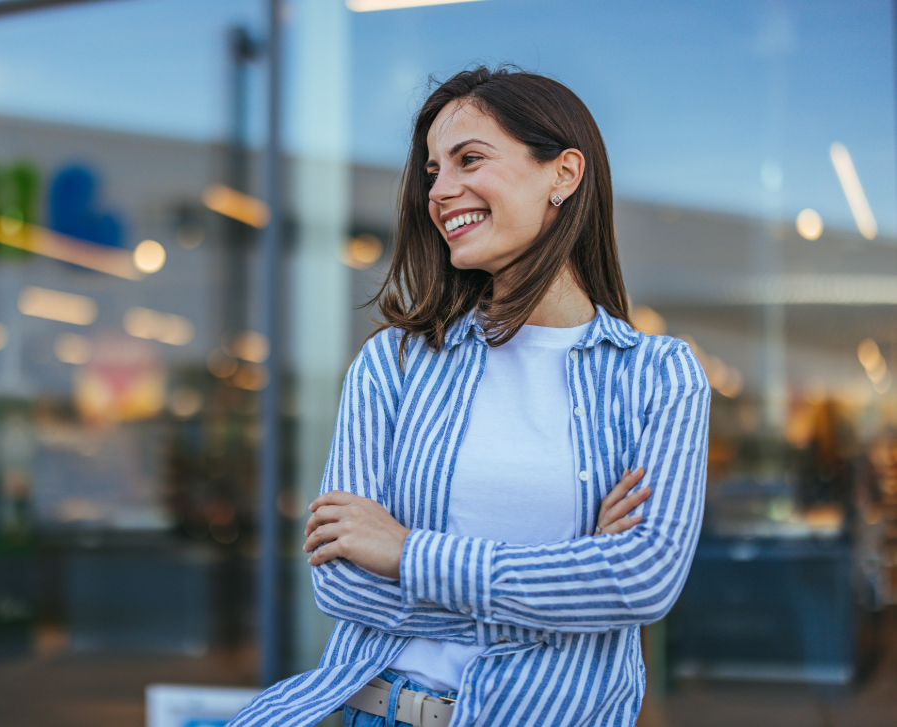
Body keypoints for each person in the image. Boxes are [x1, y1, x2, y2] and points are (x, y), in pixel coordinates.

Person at [230, 66, 709, 727]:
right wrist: (572, 577)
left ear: (563, 174)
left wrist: (406, 552)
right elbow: (340, 578)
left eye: (468, 159)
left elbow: (642, 580)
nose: (441, 190)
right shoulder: (393, 364)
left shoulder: (659, 375)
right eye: (432, 169)